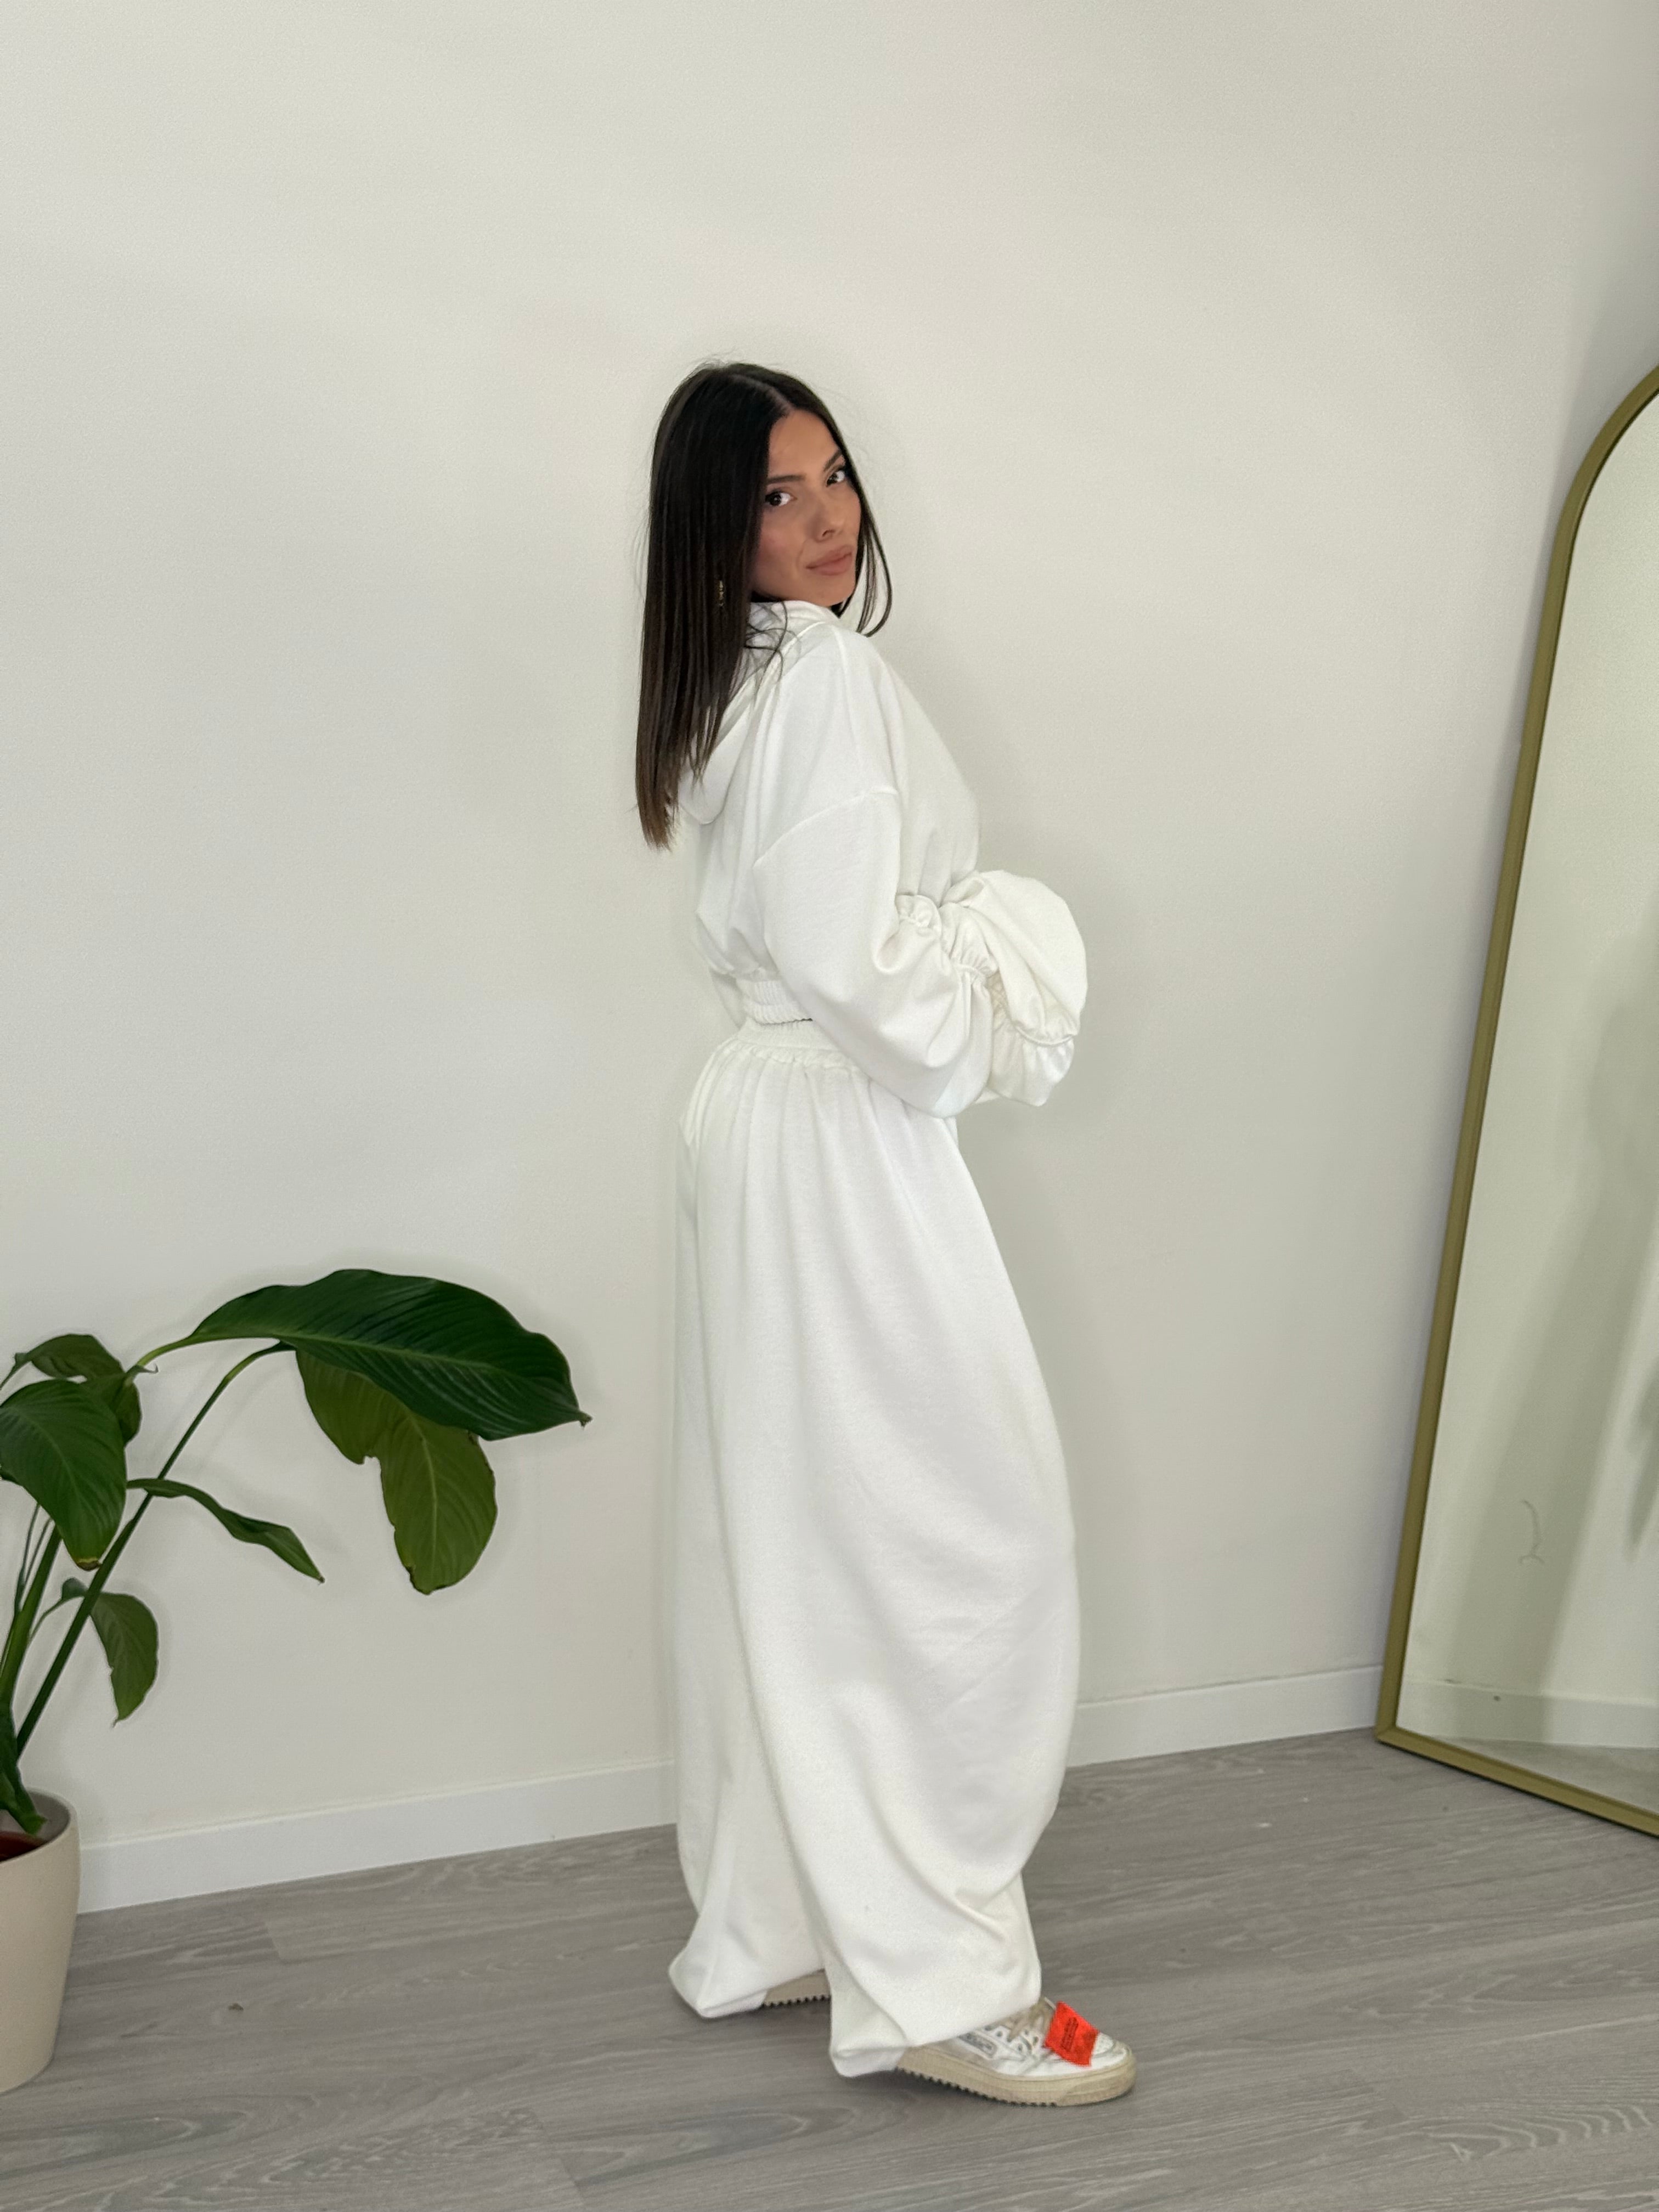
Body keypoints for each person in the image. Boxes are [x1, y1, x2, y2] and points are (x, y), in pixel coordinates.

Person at [635, 360, 1135, 2108]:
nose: (827, 515)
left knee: (793, 1538)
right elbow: (868, 972)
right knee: (956, 1537)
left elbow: (809, 936)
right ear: (717, 529)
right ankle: (945, 1980)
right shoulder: (828, 678)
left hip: (762, 1121)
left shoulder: (739, 685)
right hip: (842, 1130)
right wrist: (999, 959)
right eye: (778, 494)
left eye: (835, 474)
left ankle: (790, 1918)